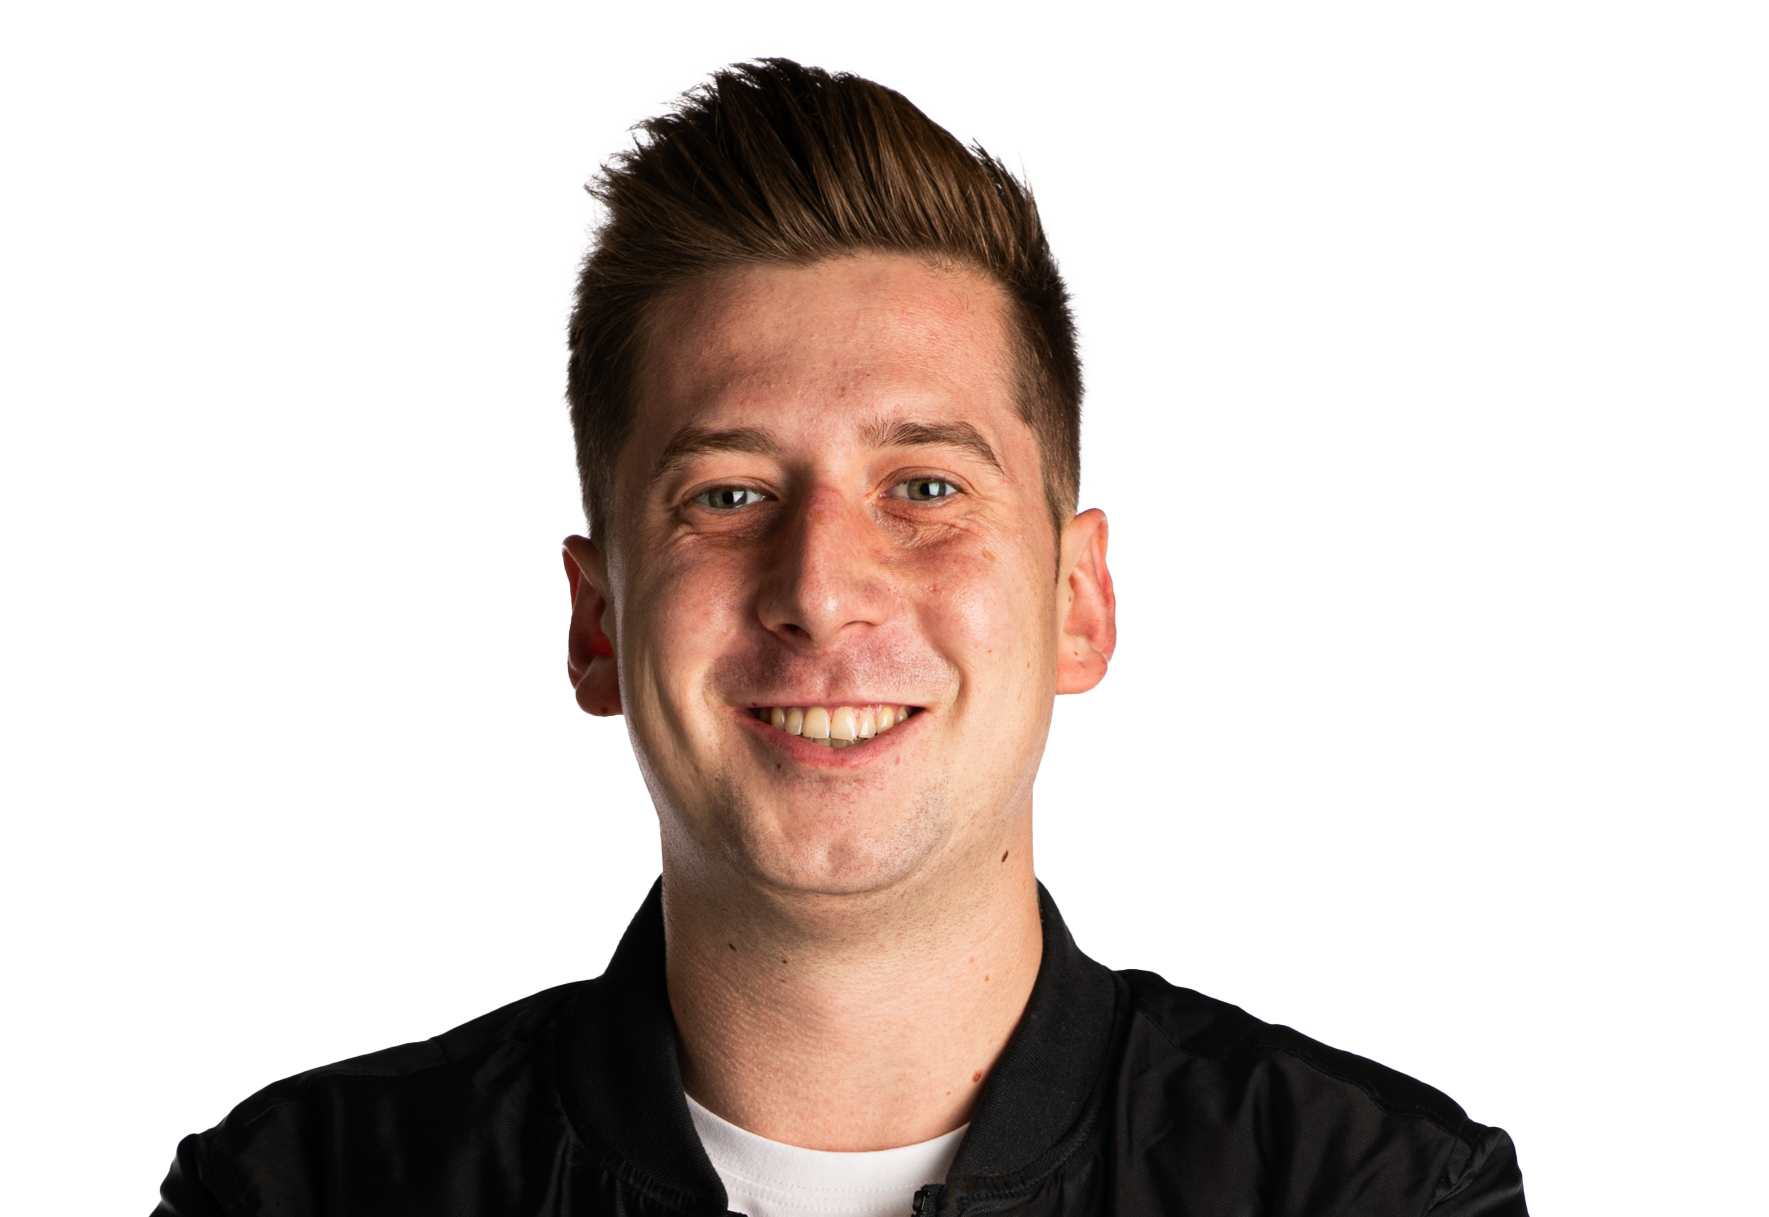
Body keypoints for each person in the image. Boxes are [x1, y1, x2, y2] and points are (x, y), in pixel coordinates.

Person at [155, 47, 1527, 1216]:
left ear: (1078, 600)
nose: (818, 589)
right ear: (594, 620)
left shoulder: (1374, 1197)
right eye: (727, 495)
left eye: (924, 489)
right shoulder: (302, 1194)